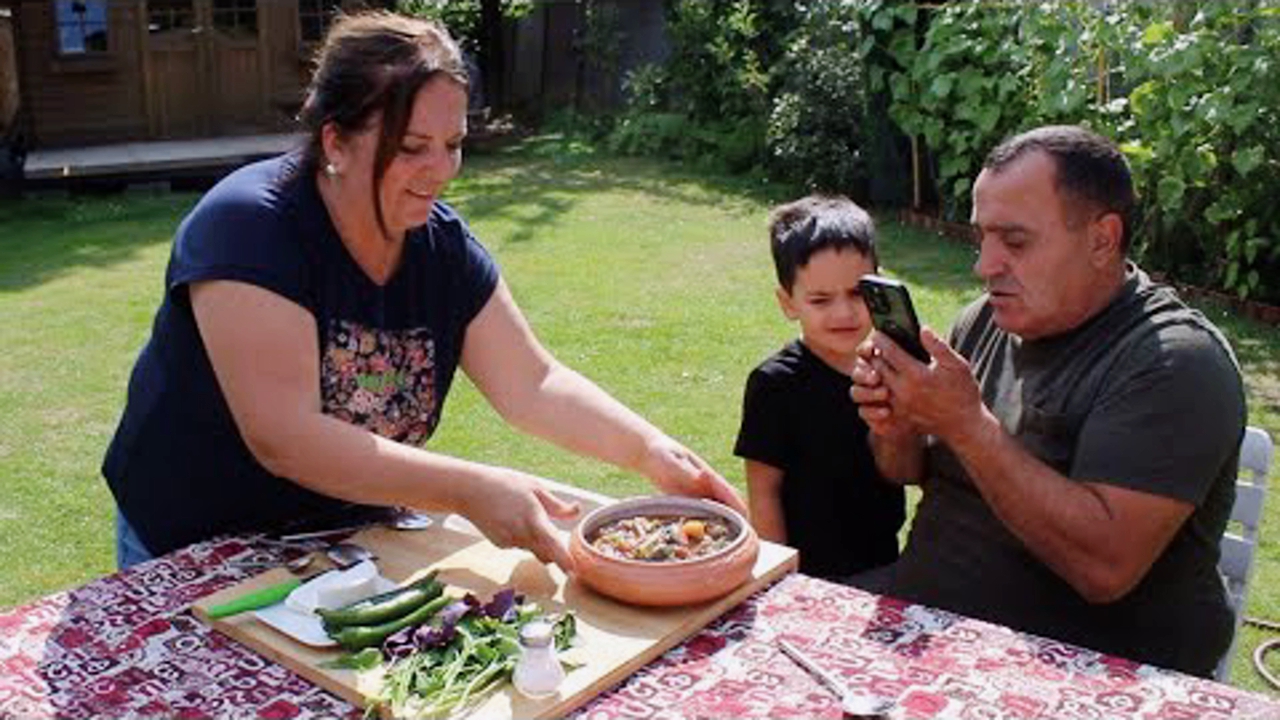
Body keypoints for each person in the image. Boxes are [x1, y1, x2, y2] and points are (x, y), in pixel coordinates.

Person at [101, 11, 743, 572]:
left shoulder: (442, 251)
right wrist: (470, 488)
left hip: (342, 543)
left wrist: (651, 451)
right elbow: (285, 435)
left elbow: (533, 382)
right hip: (192, 546)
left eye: (454, 144)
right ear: (336, 141)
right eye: (412, 147)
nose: (439, 171)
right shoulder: (249, 227)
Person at [850, 125, 1245, 677]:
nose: (984, 265)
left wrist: (965, 422)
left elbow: (1103, 568)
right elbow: (906, 471)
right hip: (925, 634)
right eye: (983, 237)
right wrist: (896, 422)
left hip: (1086, 677)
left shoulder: (1173, 362)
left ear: (1102, 239)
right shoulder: (984, 320)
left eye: (1015, 242)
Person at [734, 196, 905, 580]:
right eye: (821, 300)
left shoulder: (893, 367)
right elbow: (763, 492)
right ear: (788, 302)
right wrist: (777, 578)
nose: (843, 313)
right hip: (807, 576)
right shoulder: (774, 384)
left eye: (858, 293)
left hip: (887, 565)